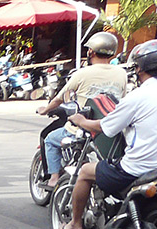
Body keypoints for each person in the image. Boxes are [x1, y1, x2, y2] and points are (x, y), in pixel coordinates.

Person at [59, 40, 157, 229]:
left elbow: (105, 128)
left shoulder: (138, 96)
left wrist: (81, 120)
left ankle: (75, 225)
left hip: (137, 170)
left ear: (139, 68)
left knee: (85, 171)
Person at [37, 32, 127, 189]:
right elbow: (122, 99)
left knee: (50, 139)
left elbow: (58, 98)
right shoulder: (121, 73)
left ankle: (53, 178)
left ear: (91, 51)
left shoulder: (83, 73)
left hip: (81, 127)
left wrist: (45, 110)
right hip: (107, 127)